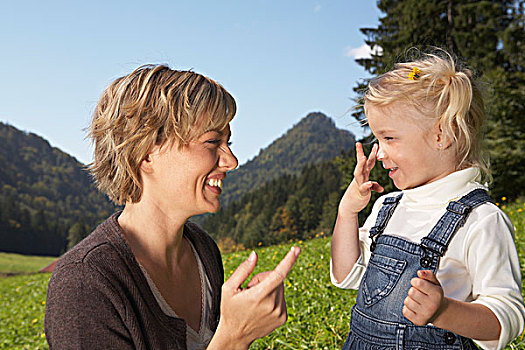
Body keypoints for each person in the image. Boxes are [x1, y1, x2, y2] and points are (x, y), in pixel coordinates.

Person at [45, 65, 301, 350]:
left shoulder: (202, 249)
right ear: (146, 153)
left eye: (228, 143)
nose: (231, 161)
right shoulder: (84, 283)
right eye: (213, 142)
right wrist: (234, 338)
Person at [330, 51, 524, 350]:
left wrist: (444, 311)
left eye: (389, 138)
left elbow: (506, 319)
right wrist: (347, 212)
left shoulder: (481, 220)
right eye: (376, 140)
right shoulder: (387, 207)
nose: (379, 154)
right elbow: (346, 275)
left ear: (442, 135)